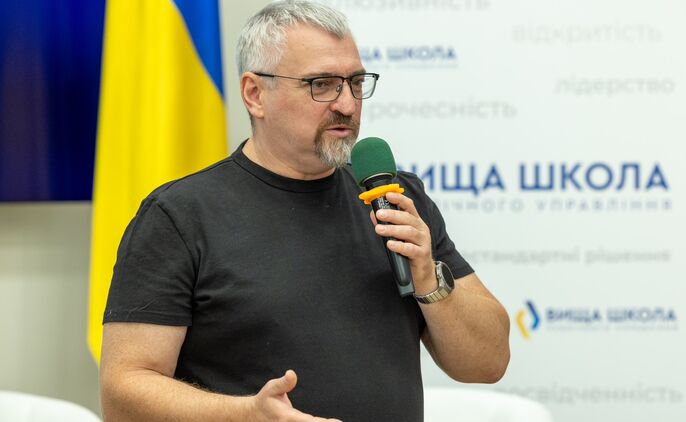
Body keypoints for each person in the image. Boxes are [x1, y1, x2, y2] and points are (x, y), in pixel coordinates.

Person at [99, 1, 510, 421]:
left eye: (355, 82)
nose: (347, 104)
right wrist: (246, 415)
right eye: (322, 84)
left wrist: (428, 277)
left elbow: (488, 362)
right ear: (255, 94)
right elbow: (122, 392)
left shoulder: (395, 198)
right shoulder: (180, 216)